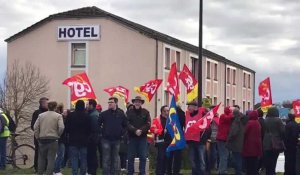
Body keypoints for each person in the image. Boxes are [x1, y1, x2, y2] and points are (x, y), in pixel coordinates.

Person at [34, 101, 65, 175]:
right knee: (51, 159)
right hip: (53, 139)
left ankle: (40, 173)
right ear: (55, 107)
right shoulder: (58, 116)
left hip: (42, 139)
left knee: (41, 159)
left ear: (48, 107)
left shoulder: (41, 115)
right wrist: (58, 135)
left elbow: (35, 127)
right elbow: (61, 127)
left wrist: (37, 136)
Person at [99, 97, 127, 175]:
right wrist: (102, 132)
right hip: (106, 139)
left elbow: (125, 125)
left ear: (116, 103)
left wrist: (121, 133)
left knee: (115, 159)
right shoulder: (104, 114)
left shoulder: (121, 114)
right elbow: (98, 124)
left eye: (111, 102)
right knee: (106, 159)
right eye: (109, 102)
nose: (110, 103)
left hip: (117, 139)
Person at [65, 100, 91, 175]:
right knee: (83, 159)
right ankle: (82, 173)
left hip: (73, 140)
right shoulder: (87, 116)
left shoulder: (71, 115)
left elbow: (67, 127)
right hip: (84, 140)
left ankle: (75, 173)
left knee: (74, 159)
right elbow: (89, 129)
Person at [127, 96, 151, 175]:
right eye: (136, 101)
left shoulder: (146, 112)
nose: (137, 103)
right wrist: (135, 130)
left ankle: (142, 173)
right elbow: (127, 123)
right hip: (132, 137)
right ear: (133, 103)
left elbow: (148, 124)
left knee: (143, 157)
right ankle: (130, 173)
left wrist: (141, 130)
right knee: (130, 157)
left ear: (141, 103)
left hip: (142, 138)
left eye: (139, 102)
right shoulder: (129, 112)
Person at [184, 101, 206, 175]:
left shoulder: (202, 115)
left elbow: (207, 127)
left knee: (201, 158)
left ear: (195, 107)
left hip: (200, 141)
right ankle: (194, 172)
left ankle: (202, 172)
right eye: (188, 106)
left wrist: (204, 138)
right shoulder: (187, 115)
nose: (188, 108)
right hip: (191, 141)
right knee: (192, 159)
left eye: (189, 106)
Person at [263, 107, 285, 175]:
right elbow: (283, 131)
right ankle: (272, 172)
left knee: (267, 160)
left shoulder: (265, 120)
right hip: (276, 142)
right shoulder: (278, 120)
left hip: (266, 141)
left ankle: (268, 172)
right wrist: (282, 138)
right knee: (274, 160)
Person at [226, 108, 247, 175]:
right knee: (240, 158)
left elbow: (234, 132)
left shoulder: (237, 121)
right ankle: (241, 171)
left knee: (237, 159)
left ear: (234, 114)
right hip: (243, 142)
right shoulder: (244, 119)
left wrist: (229, 139)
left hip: (236, 143)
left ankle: (238, 172)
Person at [150, 105, 170, 175]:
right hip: (161, 142)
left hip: (169, 142)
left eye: (168, 111)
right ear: (161, 112)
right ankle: (159, 173)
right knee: (160, 158)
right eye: (165, 111)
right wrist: (161, 131)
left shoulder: (170, 120)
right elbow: (152, 129)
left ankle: (164, 172)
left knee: (167, 159)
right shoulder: (157, 119)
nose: (166, 112)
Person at [165, 105, 185, 175]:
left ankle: (169, 171)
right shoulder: (182, 114)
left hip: (170, 138)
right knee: (177, 158)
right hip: (178, 138)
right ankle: (176, 171)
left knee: (169, 157)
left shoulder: (171, 115)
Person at [31, 97, 49, 172]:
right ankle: (37, 167)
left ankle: (45, 167)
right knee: (38, 152)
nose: (48, 104)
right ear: (42, 103)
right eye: (46, 103)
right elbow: (33, 125)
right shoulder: (37, 113)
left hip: (47, 136)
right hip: (39, 137)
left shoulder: (49, 113)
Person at [242, 110, 262, 175]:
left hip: (249, 145)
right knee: (255, 162)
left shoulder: (249, 123)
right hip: (257, 145)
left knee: (249, 163)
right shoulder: (258, 123)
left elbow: (244, 132)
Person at [216, 107, 233, 175]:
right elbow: (229, 118)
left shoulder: (224, 116)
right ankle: (222, 171)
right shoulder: (224, 116)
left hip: (221, 138)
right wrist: (232, 113)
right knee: (224, 155)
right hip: (223, 139)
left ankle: (221, 170)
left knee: (222, 155)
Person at [87, 99, 100, 175]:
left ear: (91, 105)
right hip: (93, 138)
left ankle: (92, 171)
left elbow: (94, 128)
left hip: (92, 139)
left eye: (88, 104)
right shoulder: (92, 113)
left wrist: (90, 138)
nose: (86, 106)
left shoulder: (94, 115)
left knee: (92, 155)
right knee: (92, 155)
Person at [54, 103, 67, 175]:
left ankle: (55, 170)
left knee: (57, 155)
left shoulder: (56, 117)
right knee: (61, 155)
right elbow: (62, 127)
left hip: (56, 138)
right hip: (60, 138)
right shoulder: (60, 117)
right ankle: (56, 170)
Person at [206, 109, 219, 174]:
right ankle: (214, 166)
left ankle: (211, 166)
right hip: (215, 138)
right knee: (214, 152)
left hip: (210, 138)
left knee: (209, 152)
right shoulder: (218, 119)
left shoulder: (210, 119)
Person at [257, 108, 265, 173]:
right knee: (262, 154)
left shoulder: (257, 122)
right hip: (263, 139)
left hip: (258, 139)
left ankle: (258, 167)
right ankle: (262, 166)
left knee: (258, 154)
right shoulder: (264, 121)